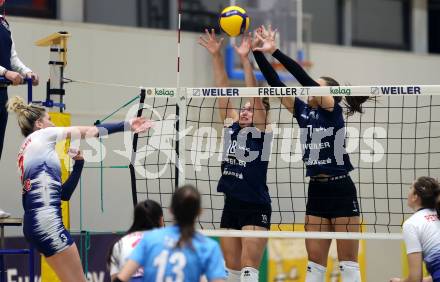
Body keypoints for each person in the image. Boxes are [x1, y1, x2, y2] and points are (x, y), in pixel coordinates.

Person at [252, 25, 371, 282]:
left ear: (330, 95)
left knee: (348, 263)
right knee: (314, 264)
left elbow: (304, 79)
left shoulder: (332, 111)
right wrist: (258, 53)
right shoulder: (304, 112)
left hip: (341, 189)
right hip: (316, 190)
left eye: (318, 86)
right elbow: (276, 85)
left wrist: (277, 51)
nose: (310, 89)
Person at [7, 96, 152, 282]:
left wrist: (79, 164)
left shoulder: (25, 149)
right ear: (39, 124)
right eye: (49, 119)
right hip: (47, 224)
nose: (52, 123)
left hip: (33, 225)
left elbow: (64, 195)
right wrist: (127, 125)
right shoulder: (43, 135)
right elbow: (91, 131)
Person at [198, 29, 272, 282]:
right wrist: (216, 56)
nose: (244, 111)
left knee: (249, 268)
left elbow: (256, 99)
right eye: (244, 108)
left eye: (250, 110)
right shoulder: (231, 127)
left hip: (255, 206)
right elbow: (222, 90)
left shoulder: (262, 132)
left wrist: (245, 59)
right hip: (231, 204)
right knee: (230, 270)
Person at [114, 185, 227, 282]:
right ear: (200, 212)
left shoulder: (150, 239)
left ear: (171, 210)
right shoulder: (209, 247)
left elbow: (121, 278)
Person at [0, 0, 39, 160]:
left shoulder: (4, 23)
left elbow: (12, 58)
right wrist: (5, 72)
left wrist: (27, 72)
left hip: (2, 94)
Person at [390, 176, 440, 282]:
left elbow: (415, 278)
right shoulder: (438, 214)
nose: (408, 191)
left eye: (410, 188)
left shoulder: (411, 224)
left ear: (415, 197)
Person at [107, 199, 164, 282]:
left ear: (136, 220)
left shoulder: (119, 244)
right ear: (160, 220)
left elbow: (114, 279)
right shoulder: (165, 242)